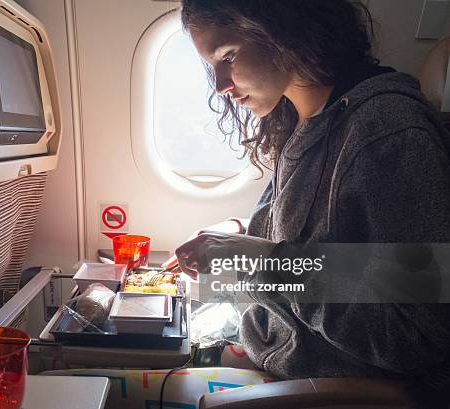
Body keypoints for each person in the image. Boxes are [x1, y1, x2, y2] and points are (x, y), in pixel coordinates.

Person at [168, 0, 450, 406]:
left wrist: (260, 262)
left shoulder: (386, 134)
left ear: (283, 29)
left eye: (228, 56)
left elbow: (418, 336)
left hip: (332, 388)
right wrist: (235, 236)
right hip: (275, 347)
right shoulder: (302, 122)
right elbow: (311, 245)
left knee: (87, 383)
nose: (221, 85)